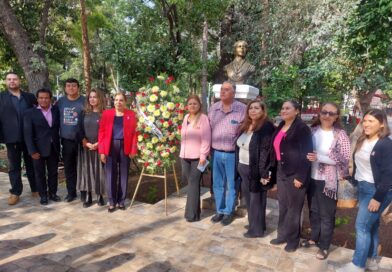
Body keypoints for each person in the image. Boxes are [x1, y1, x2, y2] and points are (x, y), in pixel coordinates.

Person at [337, 109, 392, 272]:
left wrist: (377, 198)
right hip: (363, 187)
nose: (366, 124)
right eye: (365, 120)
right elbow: (360, 165)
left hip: (377, 190)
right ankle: (371, 260)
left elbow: (389, 174)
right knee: (371, 225)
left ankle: (357, 265)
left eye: (371, 121)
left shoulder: (386, 145)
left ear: (381, 124)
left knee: (361, 226)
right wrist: (350, 178)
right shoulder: (363, 139)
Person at [304, 102, 351, 259]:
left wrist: (320, 157)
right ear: (319, 113)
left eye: (331, 113)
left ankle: (324, 246)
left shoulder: (340, 135)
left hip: (329, 182)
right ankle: (314, 238)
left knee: (327, 215)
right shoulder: (312, 131)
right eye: (324, 112)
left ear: (337, 116)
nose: (327, 116)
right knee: (313, 211)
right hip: (311, 177)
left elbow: (344, 160)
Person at [269, 100, 313, 252]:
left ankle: (293, 240)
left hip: (296, 173)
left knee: (294, 209)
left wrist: (300, 177)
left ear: (297, 111)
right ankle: (282, 235)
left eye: (288, 108)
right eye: (282, 108)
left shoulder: (302, 129)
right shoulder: (281, 125)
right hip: (282, 171)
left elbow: (307, 155)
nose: (284, 110)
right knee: (283, 206)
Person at [208, 81, 246, 226]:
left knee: (231, 184)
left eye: (227, 90)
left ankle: (229, 212)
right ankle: (220, 210)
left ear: (233, 93)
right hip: (216, 153)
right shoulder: (213, 109)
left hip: (232, 154)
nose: (222, 92)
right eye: (222, 89)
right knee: (217, 184)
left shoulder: (242, 109)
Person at [236, 100, 275, 238]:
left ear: (263, 111)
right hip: (243, 167)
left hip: (256, 169)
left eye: (256, 108)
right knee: (250, 199)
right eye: (251, 108)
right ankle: (256, 223)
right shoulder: (247, 125)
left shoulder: (266, 127)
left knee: (256, 199)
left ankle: (256, 230)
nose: (253, 110)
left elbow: (266, 151)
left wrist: (264, 173)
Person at [0, 72, 37, 205]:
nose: (12, 81)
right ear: (6, 82)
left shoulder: (29, 97)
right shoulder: (1, 97)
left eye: (14, 79)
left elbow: (37, 115)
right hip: (11, 138)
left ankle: (35, 188)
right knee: (14, 167)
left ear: (19, 81)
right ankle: (15, 192)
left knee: (32, 164)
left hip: (29, 138)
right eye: (9, 79)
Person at [98, 92, 138, 212]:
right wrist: (102, 151)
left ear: (125, 102)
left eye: (121, 100)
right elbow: (101, 133)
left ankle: (121, 201)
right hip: (110, 146)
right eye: (116, 100)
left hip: (125, 146)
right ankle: (111, 201)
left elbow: (135, 134)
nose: (118, 102)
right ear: (113, 101)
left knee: (124, 174)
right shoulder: (107, 113)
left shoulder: (131, 114)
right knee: (110, 174)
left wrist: (133, 149)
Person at [24, 88, 61, 205]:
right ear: (37, 99)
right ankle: (43, 195)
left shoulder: (56, 110)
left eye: (46, 98)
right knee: (39, 173)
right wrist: (32, 150)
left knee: (53, 172)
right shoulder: (29, 113)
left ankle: (53, 193)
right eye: (41, 98)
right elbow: (27, 134)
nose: (43, 100)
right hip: (37, 149)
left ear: (50, 99)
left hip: (53, 148)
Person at [180, 95, 211, 222]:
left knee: (193, 183)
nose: (192, 106)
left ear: (199, 105)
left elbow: (206, 138)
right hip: (184, 157)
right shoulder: (186, 117)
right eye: (190, 103)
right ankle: (195, 212)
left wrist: (203, 156)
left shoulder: (203, 119)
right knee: (191, 183)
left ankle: (191, 215)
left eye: (195, 104)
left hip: (198, 158)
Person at [57, 78, 85, 202]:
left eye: (74, 86)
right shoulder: (60, 102)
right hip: (67, 141)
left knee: (83, 168)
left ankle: (84, 193)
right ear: (65, 88)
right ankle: (71, 193)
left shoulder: (84, 101)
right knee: (69, 168)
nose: (71, 88)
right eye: (68, 86)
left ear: (78, 88)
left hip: (82, 141)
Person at [77, 89, 106, 208]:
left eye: (95, 97)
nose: (92, 99)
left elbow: (108, 131)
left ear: (100, 98)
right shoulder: (83, 113)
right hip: (86, 148)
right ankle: (88, 195)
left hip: (100, 147)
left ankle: (100, 195)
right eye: (90, 97)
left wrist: (99, 143)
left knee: (99, 172)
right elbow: (78, 130)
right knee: (87, 172)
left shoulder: (104, 113)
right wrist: (86, 143)